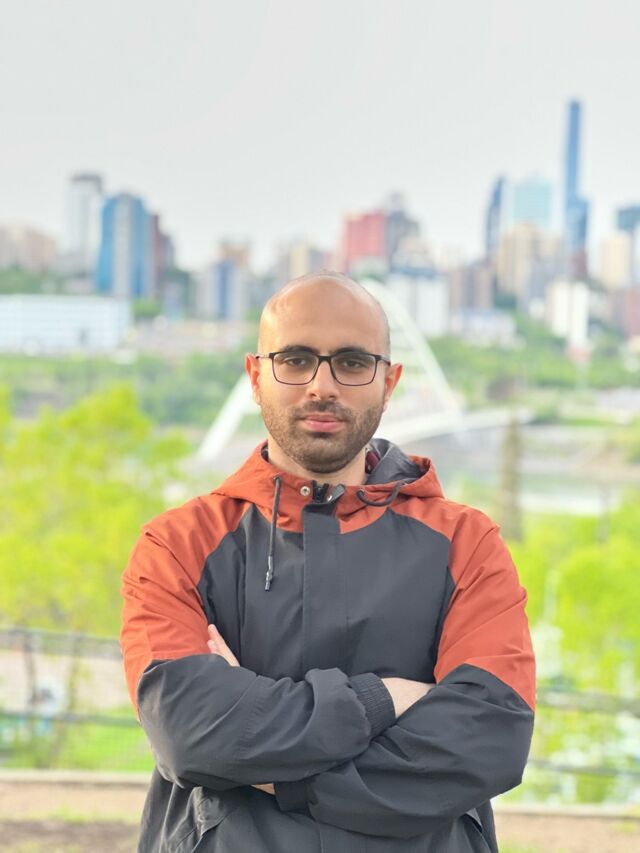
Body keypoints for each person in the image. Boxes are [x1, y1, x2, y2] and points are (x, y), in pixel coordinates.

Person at [120, 271, 536, 852]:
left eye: (351, 362)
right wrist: (386, 699)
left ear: (389, 382)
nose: (322, 386)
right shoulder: (178, 546)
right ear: (255, 376)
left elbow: (488, 740)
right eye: (294, 360)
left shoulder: (467, 544)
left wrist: (271, 771)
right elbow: (189, 734)